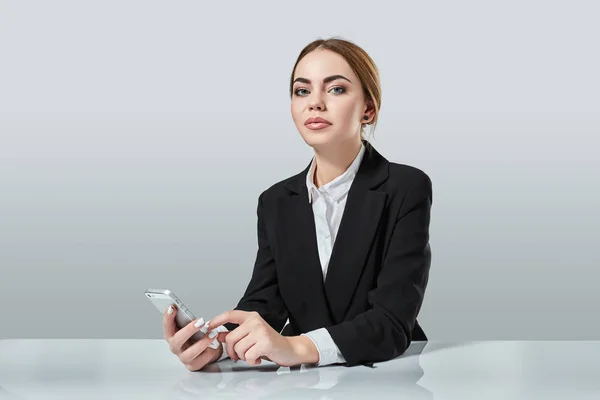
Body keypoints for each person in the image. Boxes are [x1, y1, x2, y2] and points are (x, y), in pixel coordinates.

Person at [163, 37, 433, 371]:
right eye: (302, 91)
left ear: (368, 108)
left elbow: (392, 320)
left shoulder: (405, 187)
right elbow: (265, 304)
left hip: (388, 374)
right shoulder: (275, 201)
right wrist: (217, 344)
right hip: (304, 385)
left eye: (335, 89)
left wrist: (296, 346)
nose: (315, 103)